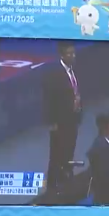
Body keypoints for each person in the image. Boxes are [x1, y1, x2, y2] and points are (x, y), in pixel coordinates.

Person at [44, 42, 83, 193]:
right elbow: (49, 99)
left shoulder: (73, 70)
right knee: (56, 153)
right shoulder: (55, 74)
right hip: (60, 122)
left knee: (69, 150)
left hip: (73, 119)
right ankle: (52, 185)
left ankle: (65, 177)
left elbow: (76, 91)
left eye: (73, 53)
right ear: (61, 55)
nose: (72, 56)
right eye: (69, 53)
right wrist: (52, 122)